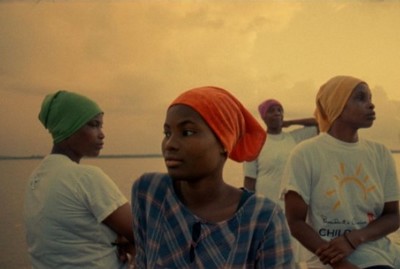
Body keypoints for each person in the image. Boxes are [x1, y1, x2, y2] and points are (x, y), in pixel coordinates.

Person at [131, 86, 294, 268]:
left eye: (188, 132)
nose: (170, 144)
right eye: (167, 133)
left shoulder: (262, 217)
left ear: (224, 143)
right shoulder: (150, 193)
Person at [283, 76, 400, 268]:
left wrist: (354, 238)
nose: (371, 105)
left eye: (370, 98)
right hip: (330, 254)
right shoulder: (306, 153)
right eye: (361, 98)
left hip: (381, 249)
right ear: (337, 104)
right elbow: (295, 222)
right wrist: (339, 264)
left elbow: (393, 217)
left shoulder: (380, 153)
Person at [23, 90, 135, 269]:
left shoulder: (36, 178)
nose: (102, 134)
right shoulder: (86, 178)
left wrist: (122, 237)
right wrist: (128, 241)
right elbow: (144, 234)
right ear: (69, 127)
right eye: (94, 125)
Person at [243, 98, 318, 207]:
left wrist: (291, 122)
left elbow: (319, 124)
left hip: (289, 209)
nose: (277, 113)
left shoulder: (293, 138)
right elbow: (249, 180)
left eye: (279, 110)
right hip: (265, 208)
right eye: (271, 111)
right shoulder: (255, 144)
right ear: (263, 117)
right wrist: (249, 208)